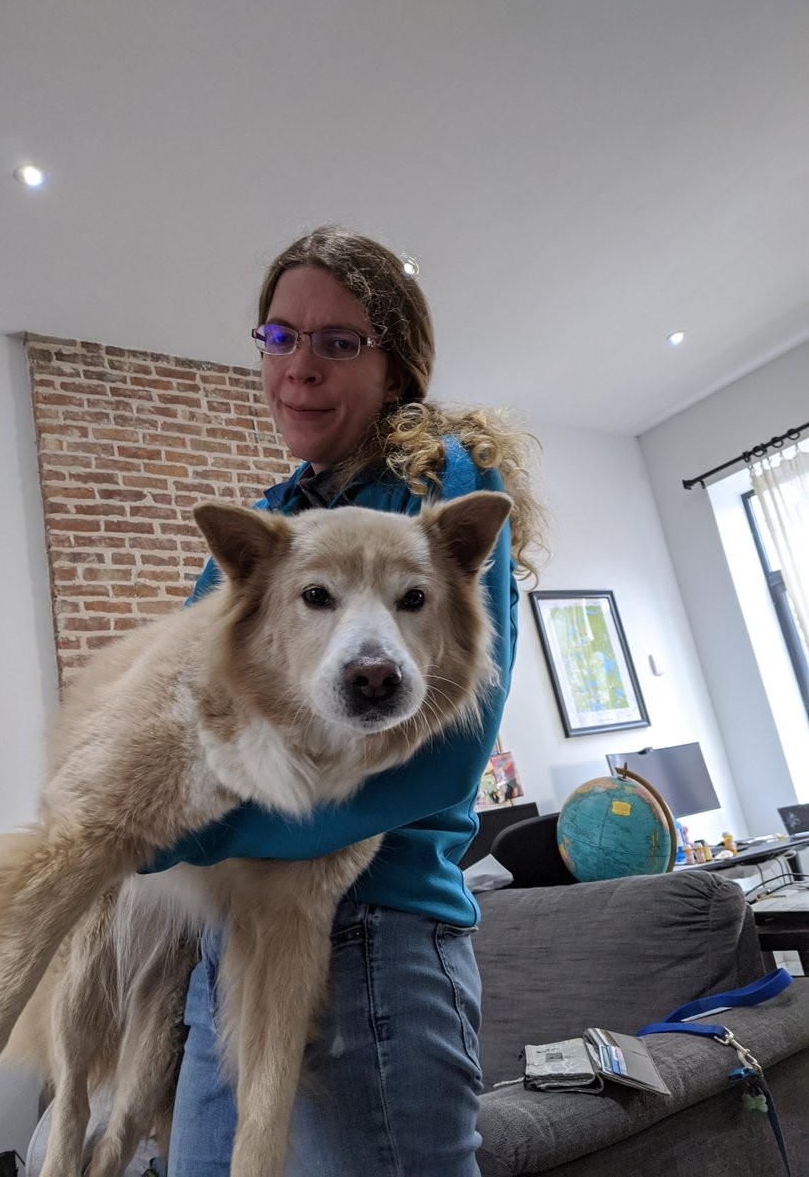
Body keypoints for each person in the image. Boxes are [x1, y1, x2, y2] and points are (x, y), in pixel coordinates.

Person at [146, 226, 545, 1177]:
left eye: (337, 341)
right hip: (230, 946)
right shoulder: (268, 525)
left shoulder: (440, 482)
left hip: (375, 931)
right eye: (280, 338)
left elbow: (447, 755)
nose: (299, 368)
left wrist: (201, 834)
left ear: (395, 360)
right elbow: (189, 713)